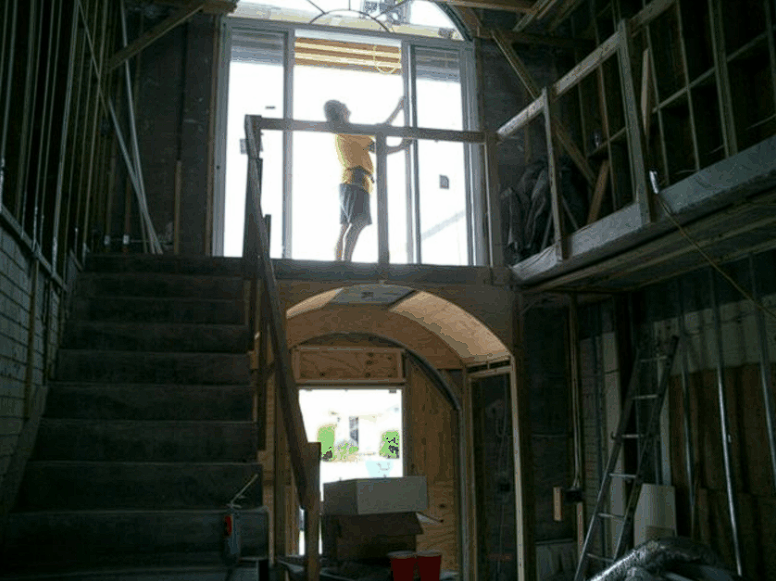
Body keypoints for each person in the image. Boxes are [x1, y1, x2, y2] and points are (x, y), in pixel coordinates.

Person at [324, 98, 409, 261]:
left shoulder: (344, 132)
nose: (347, 105)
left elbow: (381, 129)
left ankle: (339, 263)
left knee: (346, 226)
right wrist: (402, 146)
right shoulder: (350, 131)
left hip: (348, 181)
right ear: (340, 112)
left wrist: (398, 109)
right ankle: (346, 263)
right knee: (359, 221)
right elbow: (379, 148)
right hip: (356, 180)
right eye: (343, 105)